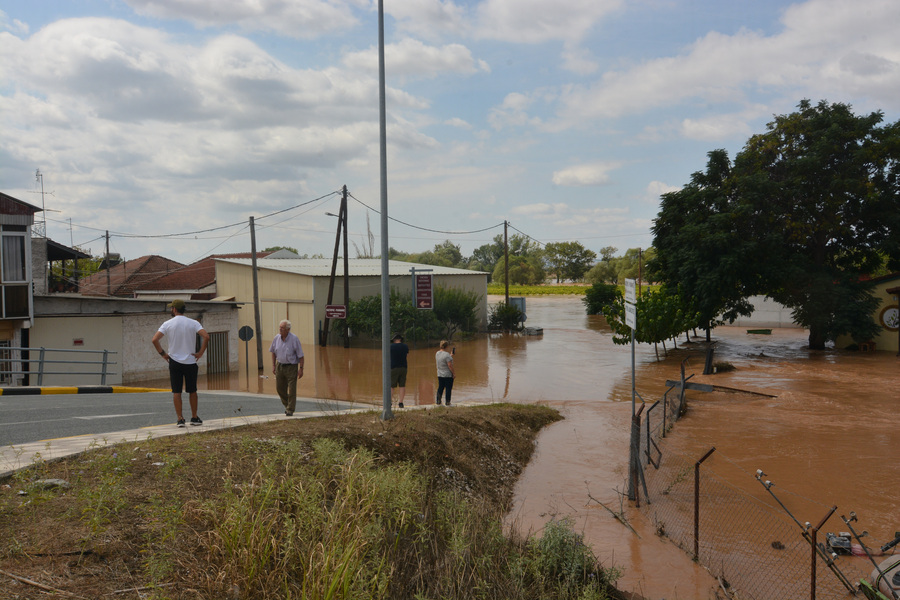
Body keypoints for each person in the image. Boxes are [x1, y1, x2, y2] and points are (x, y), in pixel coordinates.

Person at [151, 299, 210, 427]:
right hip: (190, 361)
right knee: (192, 391)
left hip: (174, 362)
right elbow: (206, 336)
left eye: (171, 308)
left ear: (174, 309)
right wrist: (200, 353)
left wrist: (163, 354)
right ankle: (194, 417)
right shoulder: (193, 323)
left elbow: (155, 339)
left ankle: (180, 419)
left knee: (176, 391)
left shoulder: (167, 324)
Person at [269, 319, 305, 416]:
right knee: (279, 388)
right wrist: (273, 365)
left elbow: (301, 355)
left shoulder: (294, 339)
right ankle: (287, 405)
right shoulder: (276, 338)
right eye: (280, 327)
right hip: (279, 365)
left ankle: (290, 409)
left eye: (282, 328)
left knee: (292, 389)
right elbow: (273, 352)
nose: (280, 329)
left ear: (288, 329)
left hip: (291, 367)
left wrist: (301, 369)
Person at [390, 333, 410, 408]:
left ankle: (390, 402)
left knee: (392, 386)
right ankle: (401, 403)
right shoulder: (405, 346)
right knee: (402, 385)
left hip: (394, 367)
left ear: (395, 340)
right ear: (400, 339)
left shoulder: (391, 347)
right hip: (403, 368)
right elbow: (407, 356)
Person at [435, 340, 455, 406]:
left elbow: (443, 359)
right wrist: (453, 373)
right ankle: (447, 402)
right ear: (447, 346)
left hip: (440, 374)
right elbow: (449, 365)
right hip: (447, 375)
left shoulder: (437, 353)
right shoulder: (447, 355)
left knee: (440, 388)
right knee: (448, 388)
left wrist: (450, 355)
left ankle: (438, 401)